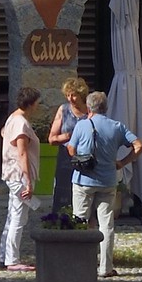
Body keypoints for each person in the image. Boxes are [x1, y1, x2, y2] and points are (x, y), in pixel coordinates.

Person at [68, 89, 142, 279]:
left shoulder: (82, 125)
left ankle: (80, 266)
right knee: (106, 225)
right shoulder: (117, 126)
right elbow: (139, 146)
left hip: (83, 180)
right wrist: (122, 162)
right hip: (107, 180)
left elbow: (71, 149)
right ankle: (105, 267)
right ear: (106, 107)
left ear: (88, 107)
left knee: (80, 222)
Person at [0, 84, 42, 271]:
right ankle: (12, 259)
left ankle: (5, 255)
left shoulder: (13, 118)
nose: (38, 107)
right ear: (31, 104)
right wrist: (28, 181)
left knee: (13, 216)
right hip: (19, 174)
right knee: (18, 217)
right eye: (37, 103)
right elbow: (22, 153)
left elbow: (3, 133)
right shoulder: (21, 123)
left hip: (12, 172)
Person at [45, 75, 89, 217]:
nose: (70, 99)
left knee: (84, 190)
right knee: (63, 189)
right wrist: (68, 136)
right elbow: (51, 138)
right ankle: (61, 219)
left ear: (81, 94)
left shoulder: (90, 111)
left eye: (74, 95)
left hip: (85, 157)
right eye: (67, 95)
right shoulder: (64, 110)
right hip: (65, 156)